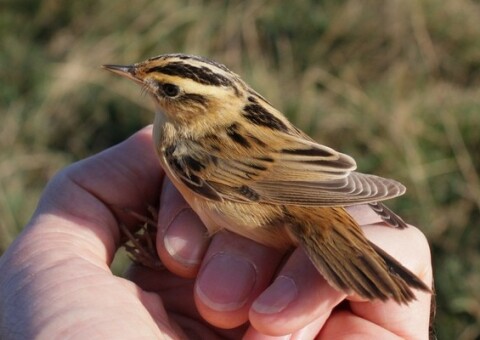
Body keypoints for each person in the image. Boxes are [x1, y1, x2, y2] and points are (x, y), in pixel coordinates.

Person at [0, 127, 433, 339]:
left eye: (169, 91)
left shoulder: (186, 149)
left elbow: (271, 185)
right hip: (312, 188)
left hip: (290, 199)